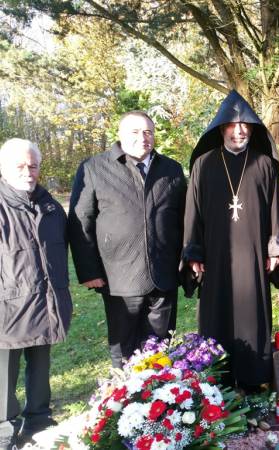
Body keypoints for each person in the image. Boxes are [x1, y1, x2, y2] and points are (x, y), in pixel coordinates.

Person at [183, 91, 279, 390]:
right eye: (233, 125)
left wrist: (274, 248)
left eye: (245, 125)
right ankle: (216, 377)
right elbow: (192, 212)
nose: (240, 130)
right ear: (222, 128)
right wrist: (193, 252)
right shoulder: (203, 165)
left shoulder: (264, 164)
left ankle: (254, 376)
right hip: (215, 254)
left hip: (253, 253)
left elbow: (275, 209)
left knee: (252, 311)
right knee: (216, 311)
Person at [68, 111, 186, 369]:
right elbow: (81, 221)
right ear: (120, 135)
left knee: (160, 346)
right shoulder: (95, 168)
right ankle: (124, 400)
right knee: (124, 347)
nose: (143, 138)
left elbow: (184, 220)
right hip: (118, 276)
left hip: (163, 274)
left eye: (148, 132)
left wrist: (184, 262)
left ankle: (161, 399)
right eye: (135, 132)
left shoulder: (172, 170)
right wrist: (89, 271)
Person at [0, 139, 72, 448]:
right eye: (20, 166)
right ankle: (4, 429)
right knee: (4, 375)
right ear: (4, 168)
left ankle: (38, 418)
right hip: (7, 306)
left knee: (40, 365)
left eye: (33, 165)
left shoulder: (50, 205)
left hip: (47, 302)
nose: (28, 172)